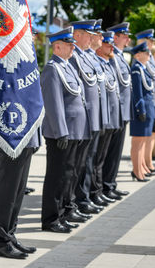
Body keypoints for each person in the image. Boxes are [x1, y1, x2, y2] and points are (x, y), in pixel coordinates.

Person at [41, 27, 90, 234]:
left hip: (74, 130)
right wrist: (61, 131)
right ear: (57, 46)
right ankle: (51, 219)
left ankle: (61, 214)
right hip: (62, 132)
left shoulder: (67, 66)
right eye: (69, 45)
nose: (72, 48)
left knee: (68, 175)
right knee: (57, 176)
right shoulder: (53, 68)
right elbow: (54, 103)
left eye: (73, 45)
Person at [69, 20, 107, 218]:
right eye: (88, 34)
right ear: (77, 35)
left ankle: (83, 198)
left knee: (89, 160)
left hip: (94, 115)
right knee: (81, 163)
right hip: (84, 116)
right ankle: (79, 199)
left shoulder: (88, 57)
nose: (92, 37)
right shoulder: (75, 57)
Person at [0, 129, 41, 260]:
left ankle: (10, 234)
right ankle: (2, 241)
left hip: (26, 136)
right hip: (12, 134)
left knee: (18, 191)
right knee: (8, 190)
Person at [92, 32, 124, 203]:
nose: (112, 47)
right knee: (96, 159)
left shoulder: (109, 64)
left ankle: (101, 189)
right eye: (107, 43)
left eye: (112, 44)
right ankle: (96, 191)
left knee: (102, 158)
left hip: (110, 117)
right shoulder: (98, 63)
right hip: (102, 118)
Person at [102, 22, 133, 199]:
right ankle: (106, 185)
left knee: (116, 151)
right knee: (110, 151)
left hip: (122, 110)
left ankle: (110, 183)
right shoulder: (113, 56)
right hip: (116, 110)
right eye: (125, 35)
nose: (128, 39)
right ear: (116, 37)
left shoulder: (119, 56)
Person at [129, 42, 155, 181]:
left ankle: (140, 169)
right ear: (138, 55)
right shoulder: (136, 69)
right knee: (138, 142)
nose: (149, 55)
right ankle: (136, 170)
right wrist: (140, 110)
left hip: (148, 108)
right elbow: (138, 93)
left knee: (143, 141)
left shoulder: (143, 69)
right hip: (142, 108)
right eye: (146, 53)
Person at [136, 29, 155, 174]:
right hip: (146, 102)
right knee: (142, 139)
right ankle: (141, 167)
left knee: (147, 137)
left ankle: (144, 165)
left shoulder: (150, 58)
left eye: (152, 41)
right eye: (149, 40)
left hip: (152, 102)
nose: (151, 43)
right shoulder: (141, 59)